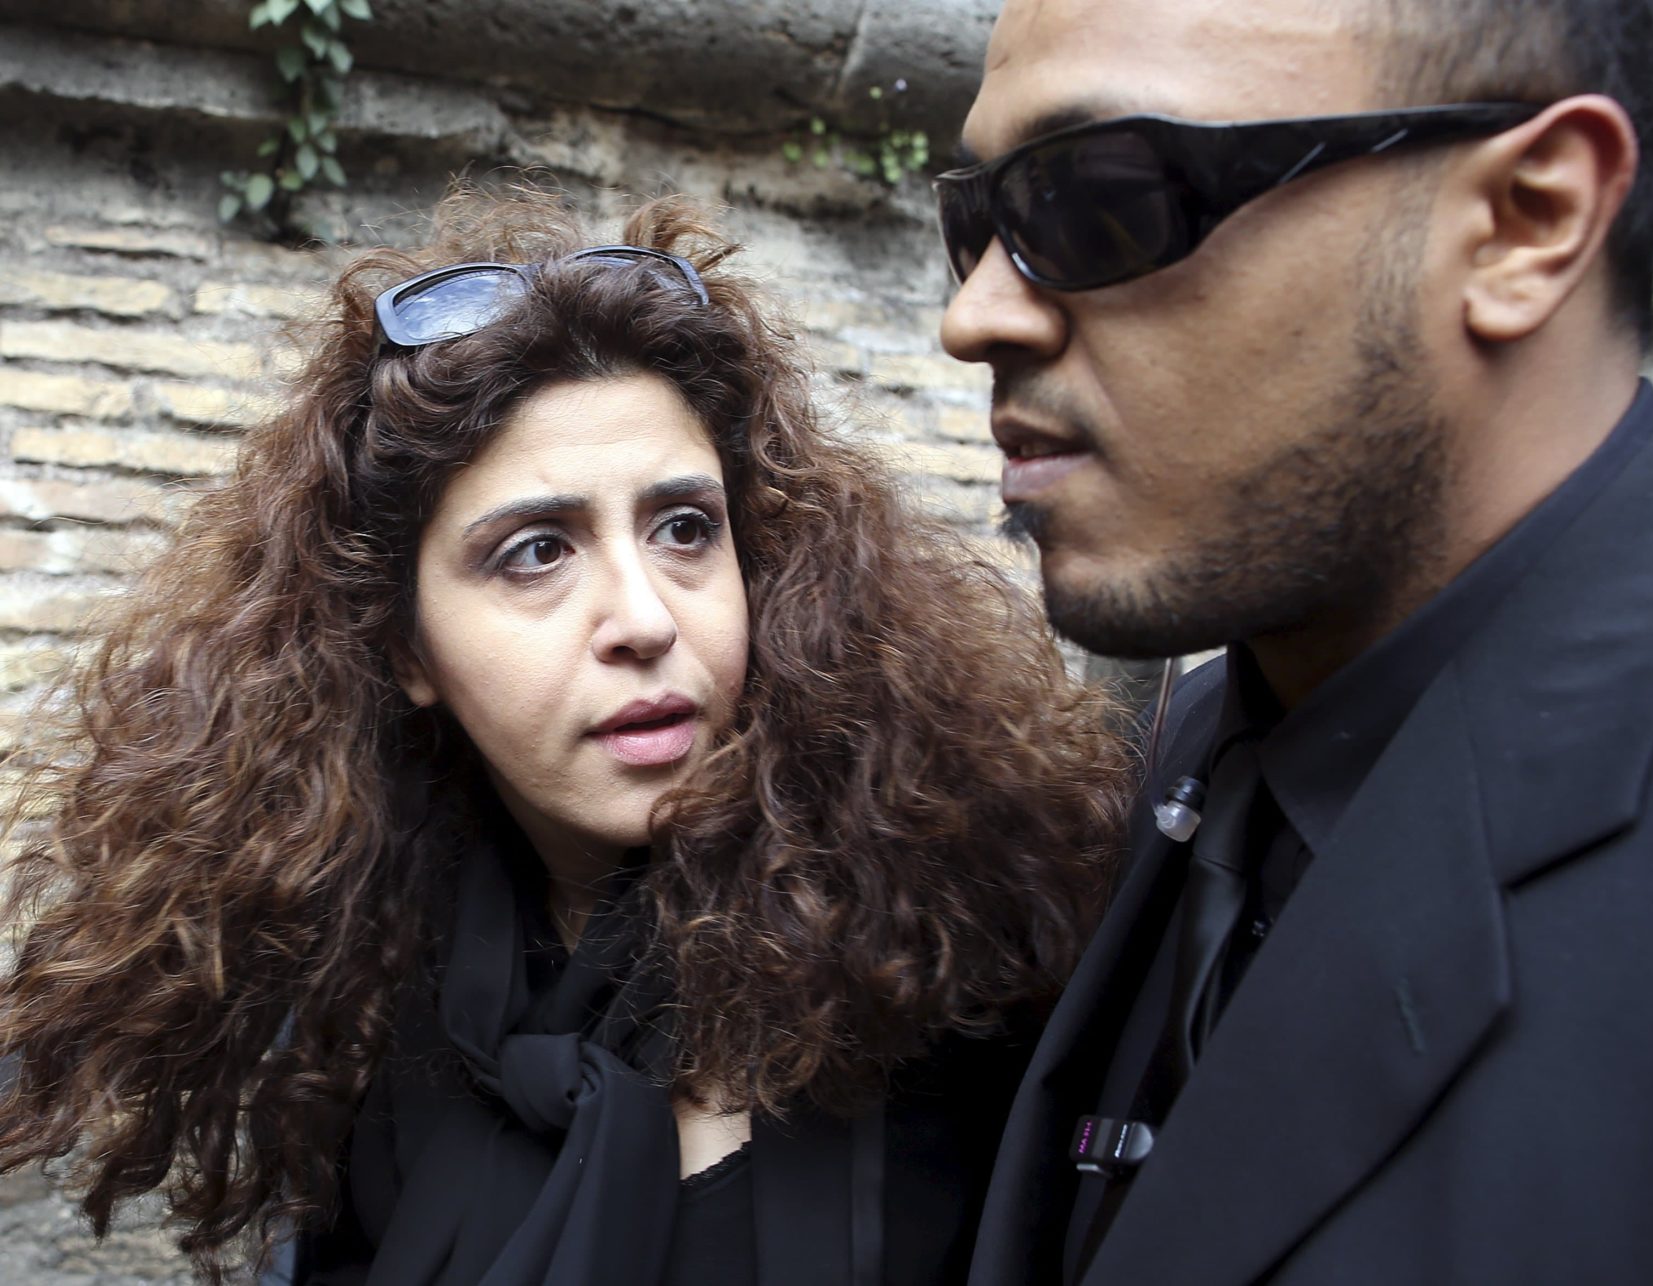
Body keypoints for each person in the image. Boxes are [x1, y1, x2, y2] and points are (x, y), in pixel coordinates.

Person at [935, 0, 1653, 1282]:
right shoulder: (1200, 749)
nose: (976, 316)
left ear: (1528, 221)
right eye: (977, 221)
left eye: (1103, 197)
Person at [0, 189, 1129, 1285]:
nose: (643, 618)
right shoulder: (368, 1019)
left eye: (686, 528)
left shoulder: (957, 975)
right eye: (536, 550)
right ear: (405, 650)